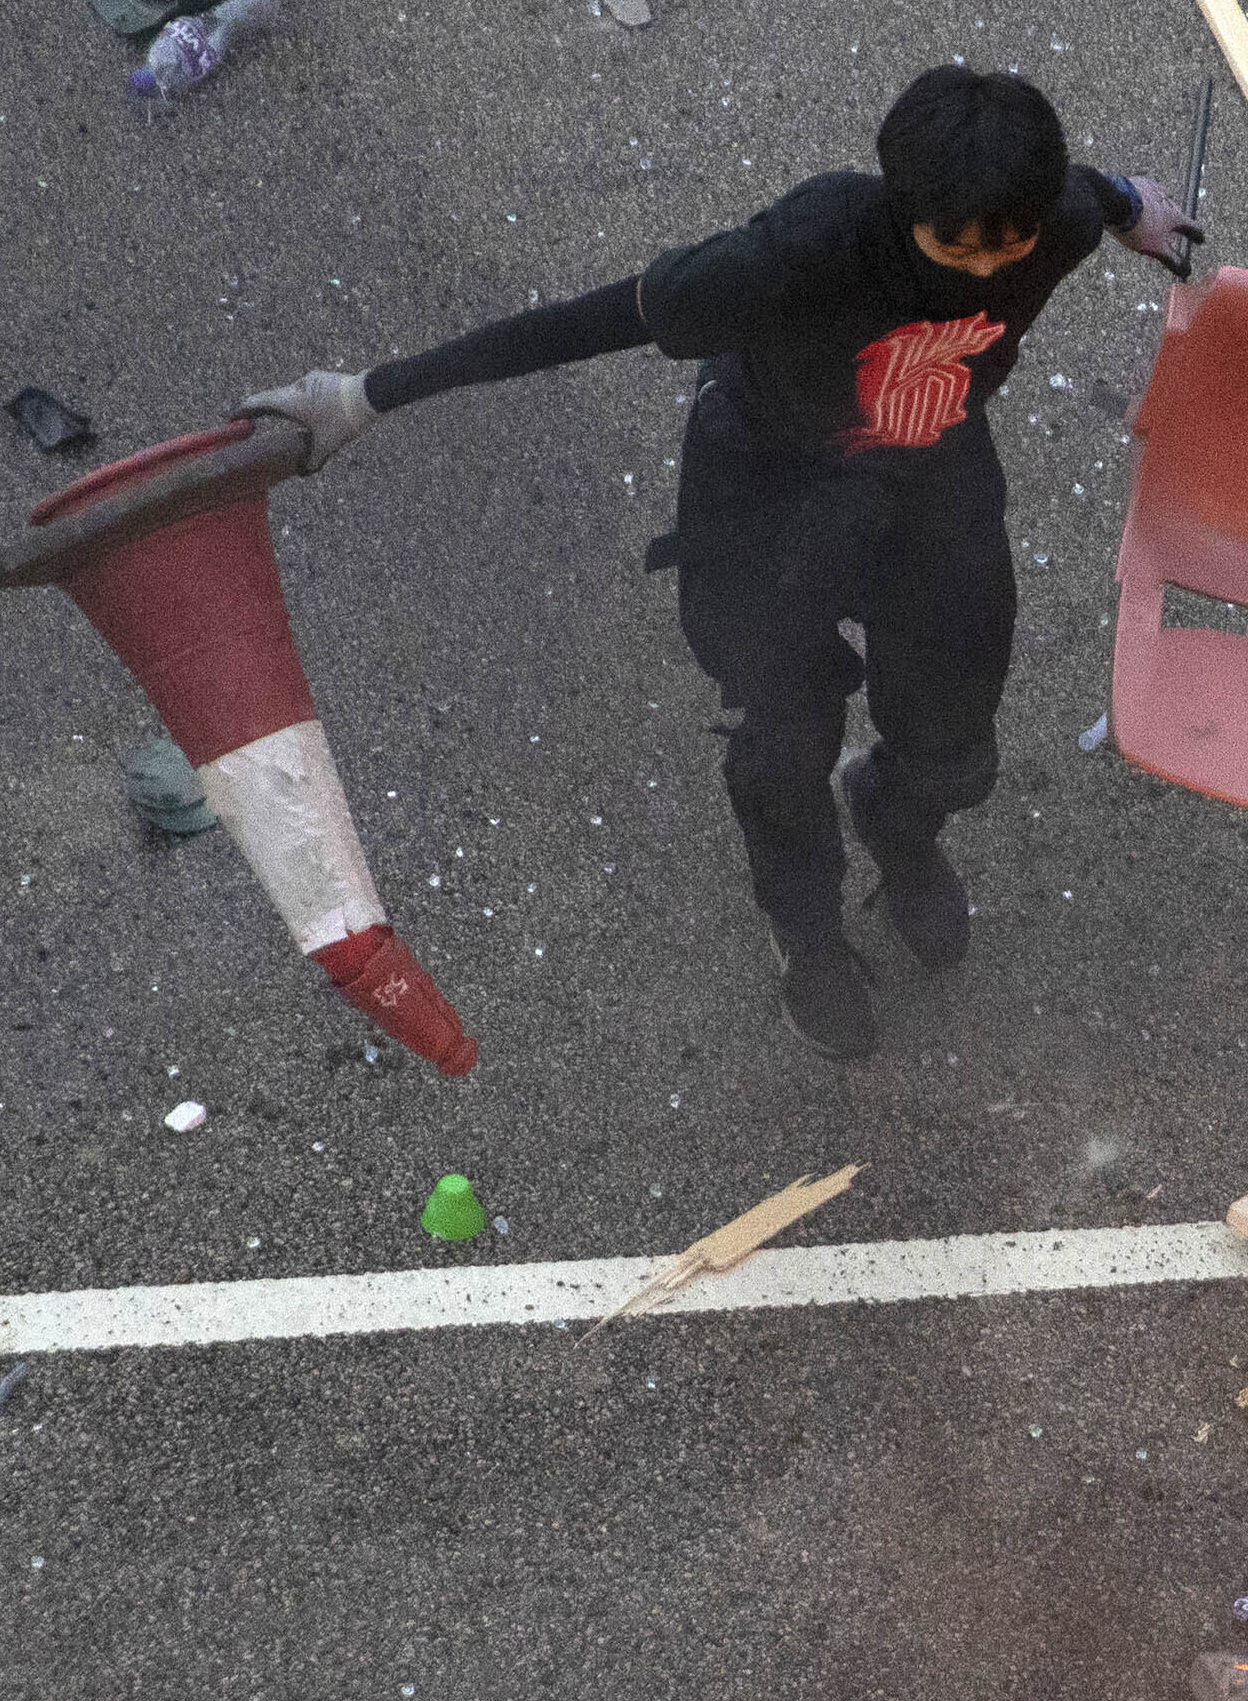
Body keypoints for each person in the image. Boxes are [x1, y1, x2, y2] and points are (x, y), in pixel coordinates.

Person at [243, 64, 1192, 1059]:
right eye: (959, 246)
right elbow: (588, 321)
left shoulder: (1056, 216)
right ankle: (805, 929)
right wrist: (361, 396)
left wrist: (1134, 208)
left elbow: (1094, 192)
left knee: (956, 742)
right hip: (769, 480)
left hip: (926, 469)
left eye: (1014, 243)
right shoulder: (798, 251)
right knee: (780, 744)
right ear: (904, 208)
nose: (990, 270)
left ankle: (895, 817)